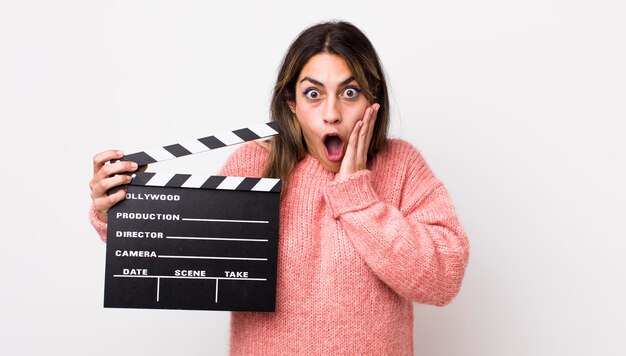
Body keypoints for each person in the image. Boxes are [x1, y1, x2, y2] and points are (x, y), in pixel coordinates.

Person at [89, 20, 470, 355]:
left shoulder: (401, 165)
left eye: (350, 92)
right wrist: (122, 210)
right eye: (313, 93)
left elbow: (443, 278)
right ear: (291, 103)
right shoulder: (255, 165)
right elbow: (185, 252)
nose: (332, 112)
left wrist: (357, 197)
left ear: (373, 98)